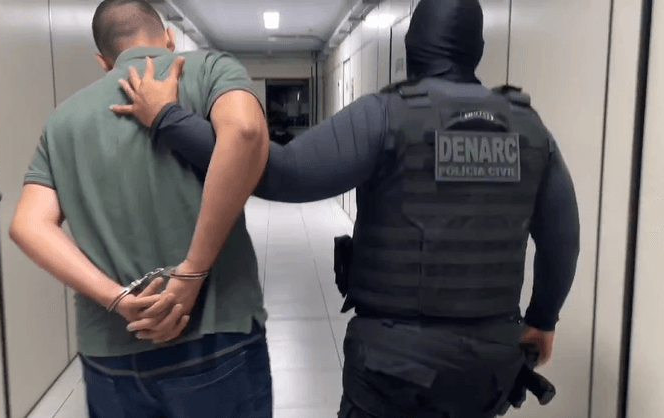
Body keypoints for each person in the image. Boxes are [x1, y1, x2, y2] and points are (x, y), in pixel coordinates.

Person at [112, 0, 581, 416]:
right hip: (489, 367)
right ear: (476, 48)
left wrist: (169, 119)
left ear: (413, 45)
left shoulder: (387, 114)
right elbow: (562, 237)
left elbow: (280, 173)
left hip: (393, 367)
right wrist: (543, 319)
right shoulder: (529, 129)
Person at [8, 0, 274, 417]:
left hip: (111, 353)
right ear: (169, 37)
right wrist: (191, 271)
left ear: (103, 60)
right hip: (215, 338)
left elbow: (28, 224)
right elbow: (244, 131)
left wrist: (116, 298)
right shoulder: (209, 70)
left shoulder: (63, 120)